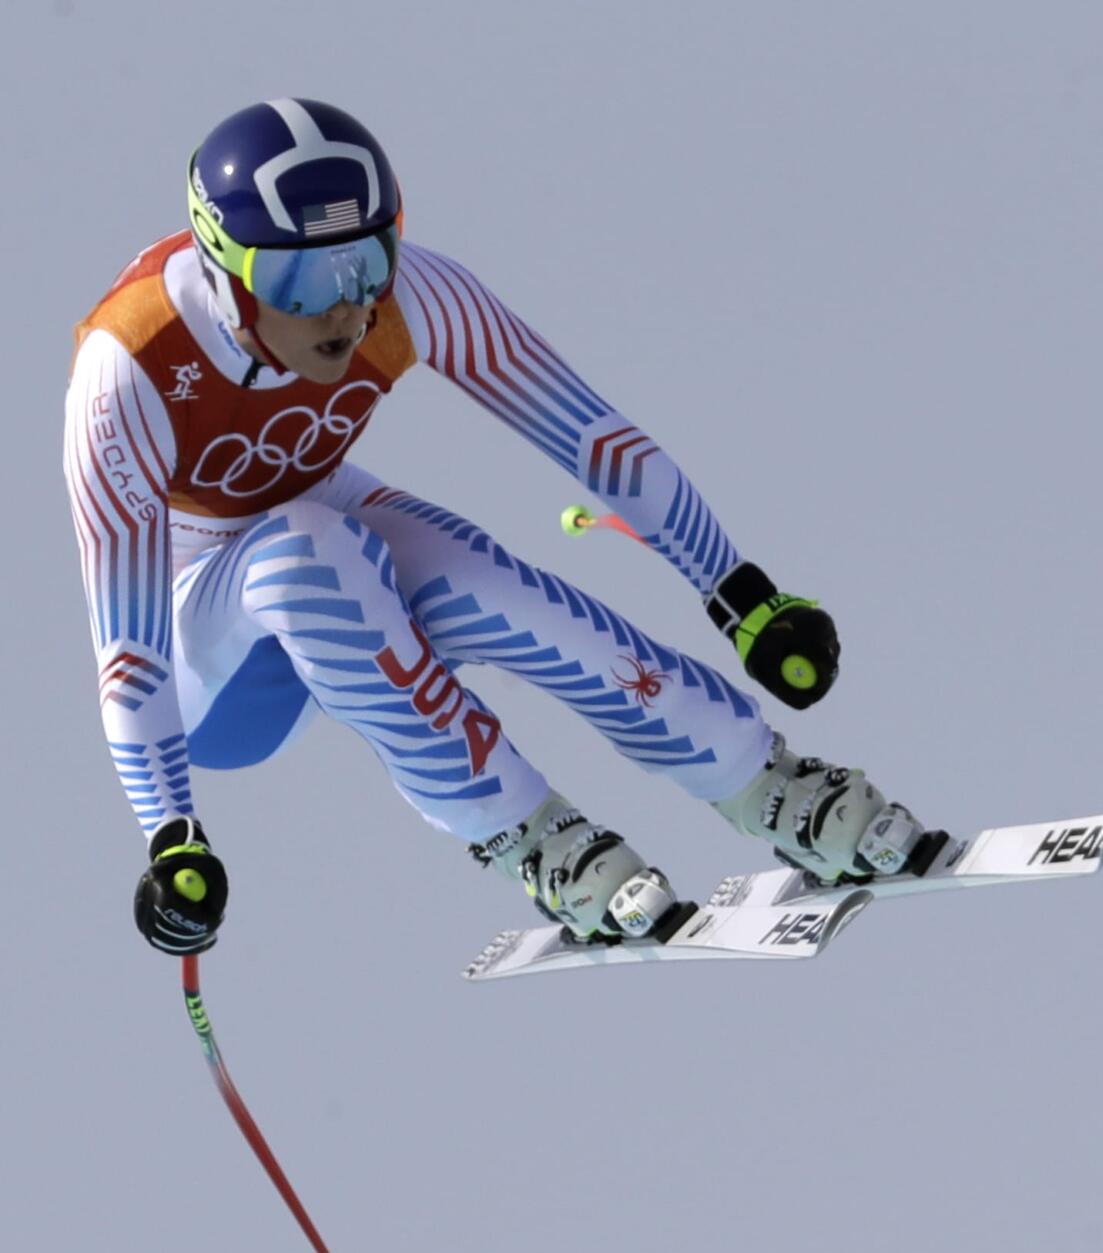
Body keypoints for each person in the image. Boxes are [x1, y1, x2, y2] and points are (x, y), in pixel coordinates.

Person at [65, 98, 923, 958]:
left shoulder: (408, 298)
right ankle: (528, 834)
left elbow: (597, 441)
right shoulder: (130, 365)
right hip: (204, 668)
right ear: (227, 272)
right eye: (303, 282)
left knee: (481, 581)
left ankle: (762, 781)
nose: (344, 310)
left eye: (365, 262)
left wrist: (741, 596)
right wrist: (171, 834)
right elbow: (129, 652)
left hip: (325, 538)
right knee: (305, 551)